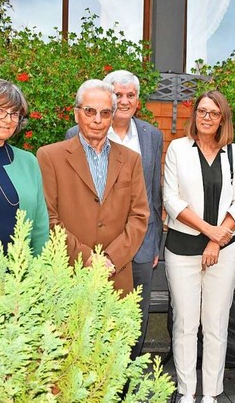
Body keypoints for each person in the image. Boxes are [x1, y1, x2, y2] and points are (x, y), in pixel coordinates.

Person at [65, 70, 163, 358]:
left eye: (130, 95)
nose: (124, 100)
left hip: (141, 244)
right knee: (93, 315)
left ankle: (127, 382)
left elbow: (153, 194)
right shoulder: (78, 134)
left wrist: (156, 243)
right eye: (118, 94)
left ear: (138, 100)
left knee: (135, 318)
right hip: (94, 246)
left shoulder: (152, 136)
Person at [163, 90, 235, 403]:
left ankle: (210, 393)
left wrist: (216, 239)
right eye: (202, 111)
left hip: (224, 250)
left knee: (216, 323)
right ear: (194, 114)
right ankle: (187, 392)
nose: (207, 117)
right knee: (185, 323)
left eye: (214, 113)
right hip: (182, 247)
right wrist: (206, 231)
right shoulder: (177, 149)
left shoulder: (234, 154)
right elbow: (171, 199)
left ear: (223, 118)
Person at [37, 79, 149, 296]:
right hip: (69, 274)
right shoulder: (49, 157)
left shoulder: (131, 159)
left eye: (105, 113)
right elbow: (48, 218)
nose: (98, 120)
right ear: (76, 113)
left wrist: (110, 259)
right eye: (90, 111)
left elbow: (139, 216)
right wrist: (86, 257)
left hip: (116, 277)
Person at [0, 79, 49, 260]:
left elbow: (40, 228)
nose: (8, 119)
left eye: (14, 113)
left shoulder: (28, 162)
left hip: (21, 276)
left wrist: (41, 272)